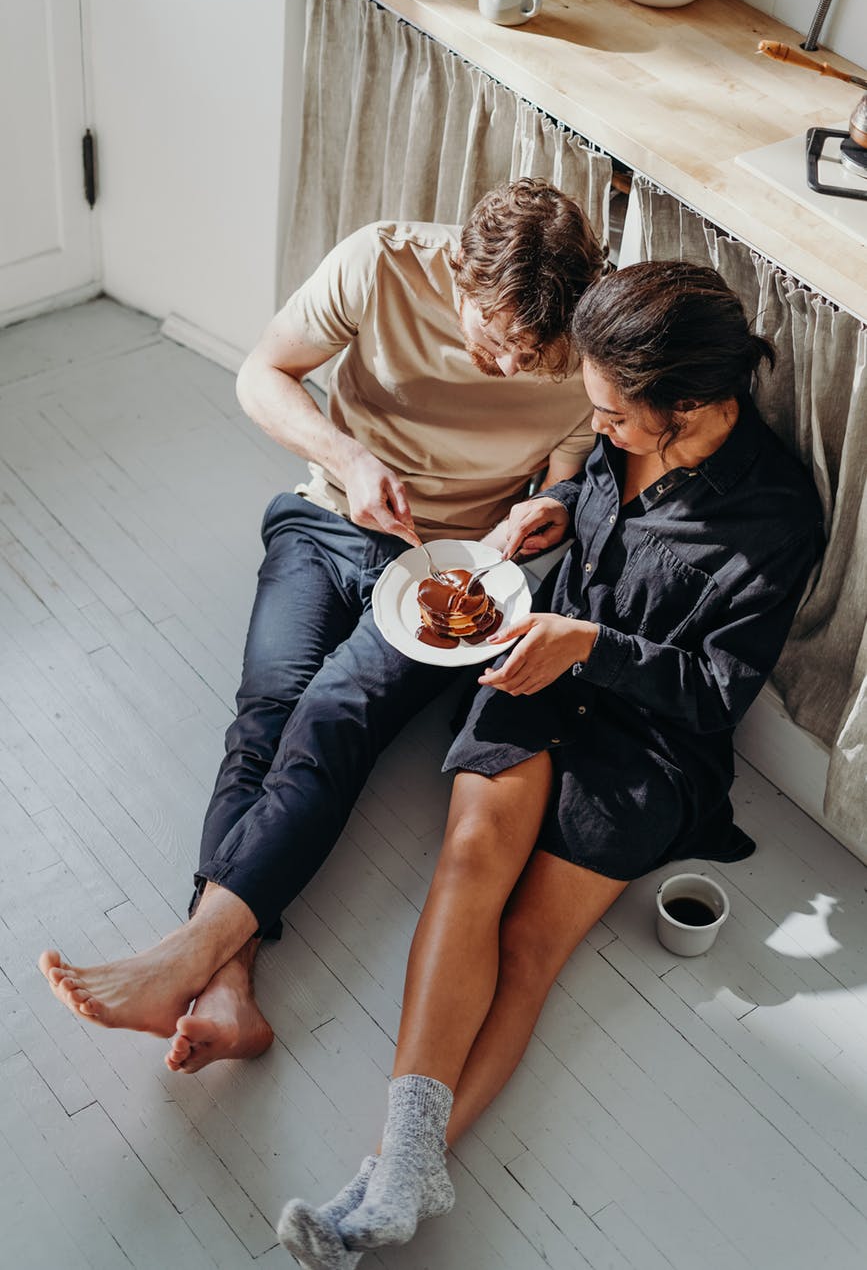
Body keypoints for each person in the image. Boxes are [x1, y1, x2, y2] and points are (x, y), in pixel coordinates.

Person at [276, 261, 824, 1270]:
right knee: (471, 856)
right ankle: (405, 1164)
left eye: (614, 418)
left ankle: (396, 1176)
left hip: (653, 732)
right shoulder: (619, 439)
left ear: (691, 407)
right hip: (538, 661)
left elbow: (715, 691)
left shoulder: (777, 514)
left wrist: (593, 646)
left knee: (530, 943)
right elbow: (597, 517)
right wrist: (563, 502)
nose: (598, 426)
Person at [37, 179, 607, 1072]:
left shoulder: (580, 349)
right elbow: (260, 372)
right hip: (326, 517)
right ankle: (225, 990)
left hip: (447, 572)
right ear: (457, 271)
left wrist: (541, 514)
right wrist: (347, 455)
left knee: (334, 713)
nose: (501, 370)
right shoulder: (378, 260)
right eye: (490, 340)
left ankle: (185, 956)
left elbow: (568, 483)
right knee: (264, 710)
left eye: (524, 358)